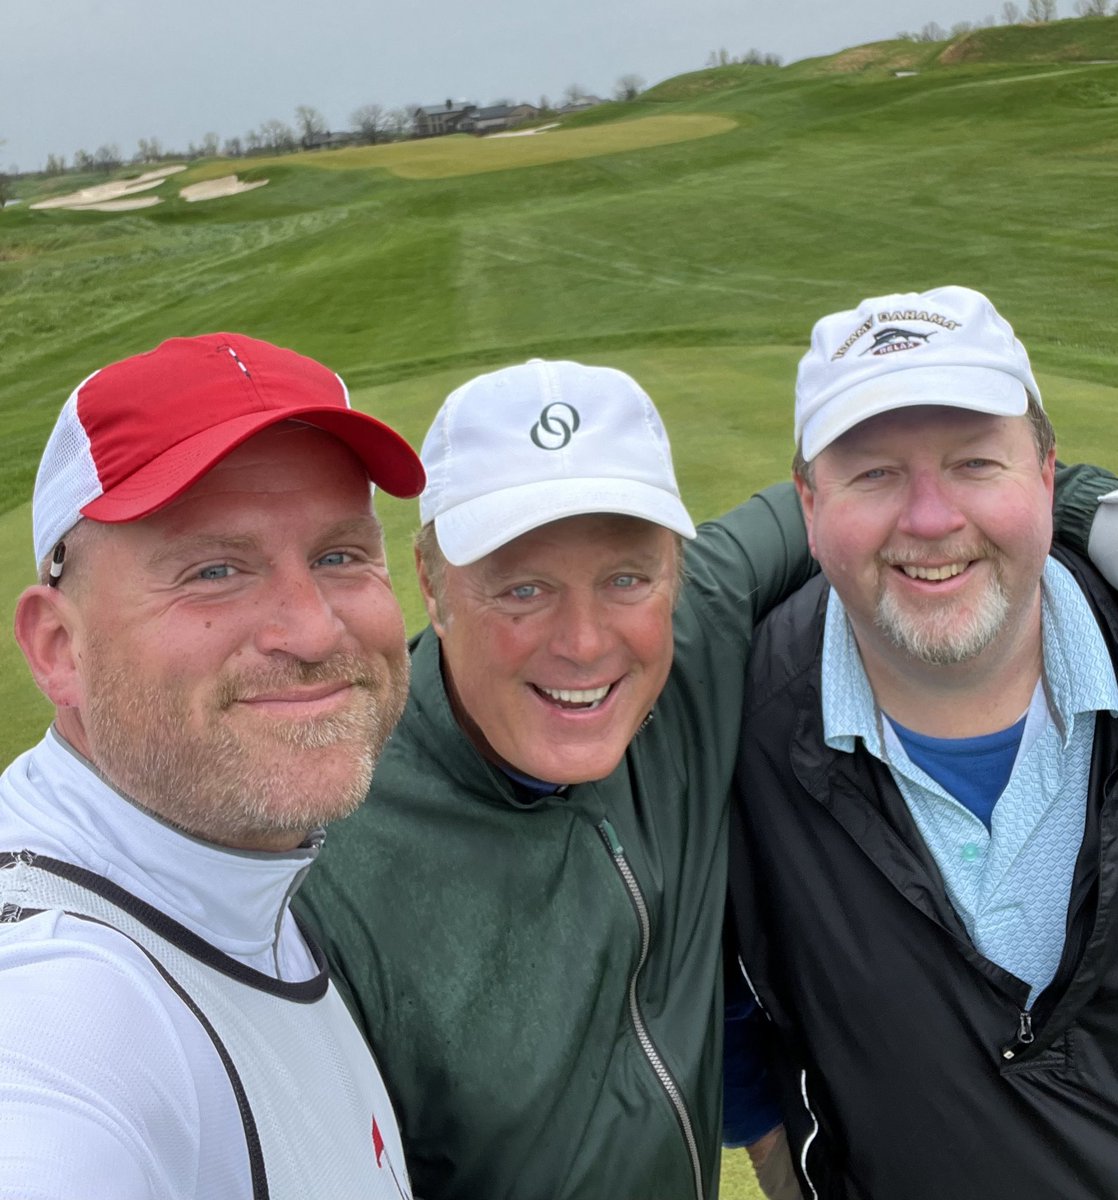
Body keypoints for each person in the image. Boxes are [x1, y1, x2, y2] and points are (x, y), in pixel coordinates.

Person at [296, 355, 1113, 1200]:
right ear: (432, 586)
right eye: (522, 589)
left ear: (676, 573)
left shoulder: (697, 631)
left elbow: (909, 504)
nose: (583, 642)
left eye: (626, 578)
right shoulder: (332, 853)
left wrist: (1090, 508)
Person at [0, 333, 426, 1200]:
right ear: (59, 648)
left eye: (338, 555)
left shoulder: (232, 865)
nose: (311, 632)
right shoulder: (64, 1000)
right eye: (215, 570)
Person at [728, 285, 1118, 1199]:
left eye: (977, 462)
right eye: (874, 474)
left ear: (1048, 476)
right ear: (807, 503)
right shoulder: (731, 728)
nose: (933, 519)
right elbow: (724, 1003)